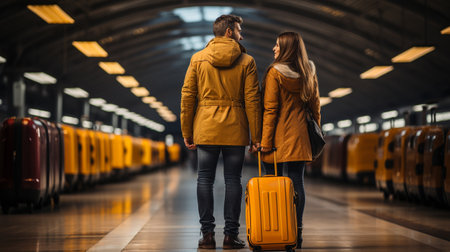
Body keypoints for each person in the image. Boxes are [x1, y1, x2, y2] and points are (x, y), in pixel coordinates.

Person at [180, 14, 262, 250]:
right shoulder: (247, 61)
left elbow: (187, 97)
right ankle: (230, 235)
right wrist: (255, 136)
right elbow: (252, 101)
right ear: (228, 32)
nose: (241, 35)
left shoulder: (197, 59)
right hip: (235, 129)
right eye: (238, 30)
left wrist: (187, 130)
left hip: (205, 128)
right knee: (233, 180)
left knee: (204, 179)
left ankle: (207, 235)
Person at [260, 31, 321, 248]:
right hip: (299, 136)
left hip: (276, 137)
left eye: (277, 45)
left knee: (272, 184)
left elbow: (270, 110)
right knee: (297, 183)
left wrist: (264, 142)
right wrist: (316, 134)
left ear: (286, 49)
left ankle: (276, 229)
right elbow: (315, 108)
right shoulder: (309, 72)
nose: (274, 49)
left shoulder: (274, 73)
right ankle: (297, 232)